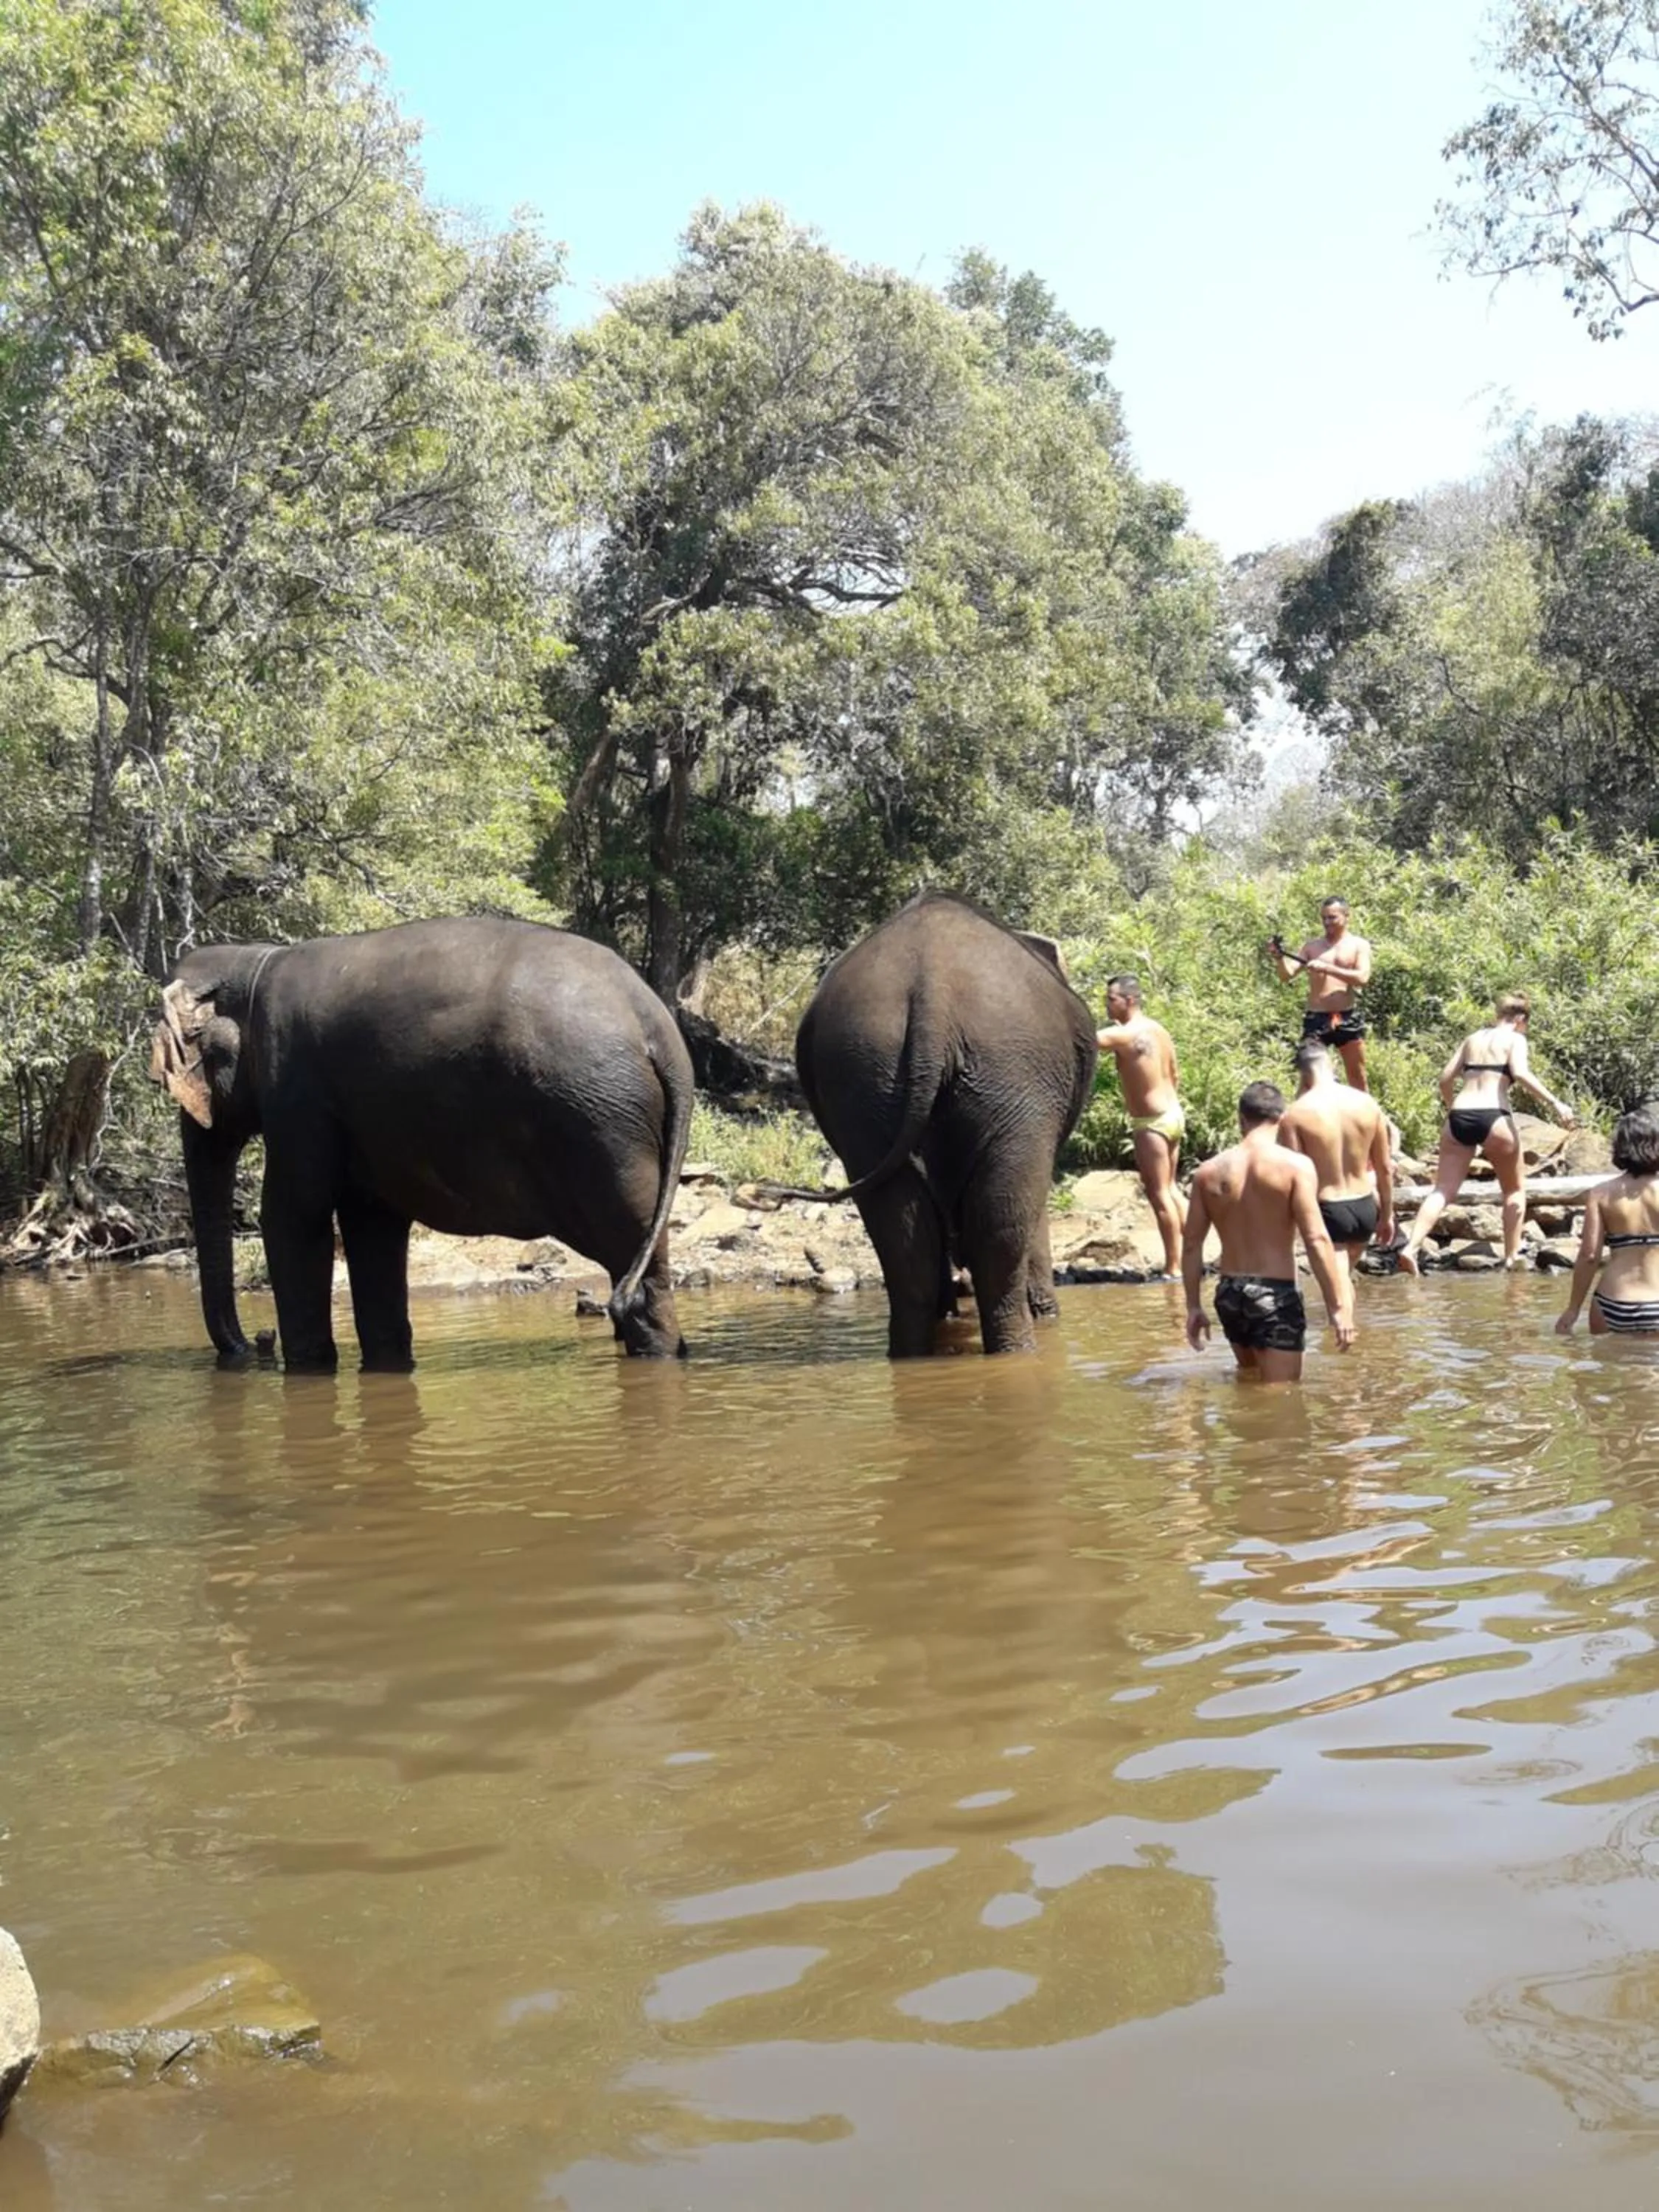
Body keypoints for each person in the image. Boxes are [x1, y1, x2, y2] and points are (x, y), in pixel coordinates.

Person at [1183, 1080, 1355, 1382]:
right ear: (1282, 1117)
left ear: (1241, 1119)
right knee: (1281, 1398)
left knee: (1248, 1382)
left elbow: (1191, 1245)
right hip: (1274, 1295)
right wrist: (1337, 1307)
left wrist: (1194, 1306)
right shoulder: (1295, 1167)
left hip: (1230, 1295)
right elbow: (1316, 1239)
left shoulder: (1207, 1172)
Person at [1397, 992, 1575, 1274]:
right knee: (1514, 1190)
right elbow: (1521, 1073)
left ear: (1498, 1016)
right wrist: (1556, 1103)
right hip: (1495, 1115)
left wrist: (1451, 1107)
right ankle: (1511, 1256)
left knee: (1442, 1190)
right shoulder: (1516, 1039)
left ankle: (1412, 1247)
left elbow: (1445, 1078)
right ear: (1520, 1019)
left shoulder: (1473, 1038)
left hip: (1459, 1116)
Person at [1277, 1037, 1396, 1293]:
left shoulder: (1295, 1114)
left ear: (1303, 1075)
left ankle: (1342, 1331)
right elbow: (1384, 1167)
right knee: (1343, 1280)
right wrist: (1387, 1214)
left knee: (1338, 1287)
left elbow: (1294, 1173)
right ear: (1332, 1066)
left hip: (1328, 1209)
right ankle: (1353, 1331)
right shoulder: (1367, 1104)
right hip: (1365, 1207)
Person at [1096, 973, 1186, 1277]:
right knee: (1171, 1189)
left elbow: (1086, 1039)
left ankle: (1174, 1267)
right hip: (1172, 1113)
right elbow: (1175, 1073)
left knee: (1159, 1193)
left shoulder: (1125, 1034)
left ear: (1129, 1000)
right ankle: (1193, 1253)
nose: (1107, 1005)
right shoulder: (1159, 1030)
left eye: (1111, 999)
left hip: (1152, 1122)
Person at [1555, 1105, 1659, 1335]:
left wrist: (1573, 1309)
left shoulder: (1601, 1193)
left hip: (1611, 1302)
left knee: (1608, 1368)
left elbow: (1589, 1256)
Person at [1267, 896, 1373, 1091]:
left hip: (1346, 1018)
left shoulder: (1359, 945)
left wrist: (1328, 969)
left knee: (1357, 1079)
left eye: (1332, 918)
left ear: (1346, 916)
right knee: (1308, 1081)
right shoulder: (1312, 947)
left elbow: (1363, 978)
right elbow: (1286, 975)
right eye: (1323, 918)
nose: (1327, 923)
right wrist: (1279, 958)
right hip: (1316, 1019)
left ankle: (1365, 1120)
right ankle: (1300, 1120)